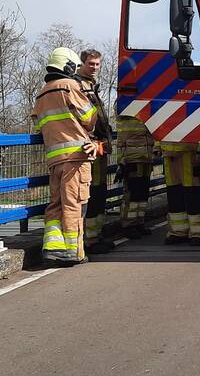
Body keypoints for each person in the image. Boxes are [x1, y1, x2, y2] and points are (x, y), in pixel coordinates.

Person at [31, 47, 112, 264]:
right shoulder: (69, 86)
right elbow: (88, 118)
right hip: (76, 156)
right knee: (75, 203)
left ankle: (53, 247)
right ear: (67, 66)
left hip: (54, 158)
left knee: (56, 204)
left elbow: (39, 125)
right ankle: (74, 252)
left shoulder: (41, 93)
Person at [77, 49, 115, 248]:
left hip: (99, 146)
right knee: (91, 192)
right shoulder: (77, 85)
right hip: (89, 146)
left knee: (99, 192)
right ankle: (90, 239)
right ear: (82, 63)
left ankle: (96, 236)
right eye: (91, 64)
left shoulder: (91, 86)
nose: (94, 67)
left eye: (97, 64)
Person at [115, 115, 156, 239]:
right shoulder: (127, 116)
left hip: (146, 158)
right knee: (132, 194)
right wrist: (121, 161)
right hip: (132, 159)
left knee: (142, 193)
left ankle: (138, 222)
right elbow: (121, 141)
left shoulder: (146, 113)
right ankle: (128, 225)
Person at [162, 142, 200, 245]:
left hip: (190, 156)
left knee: (193, 196)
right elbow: (158, 131)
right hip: (169, 156)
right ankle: (178, 232)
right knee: (174, 196)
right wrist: (157, 147)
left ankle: (198, 233)